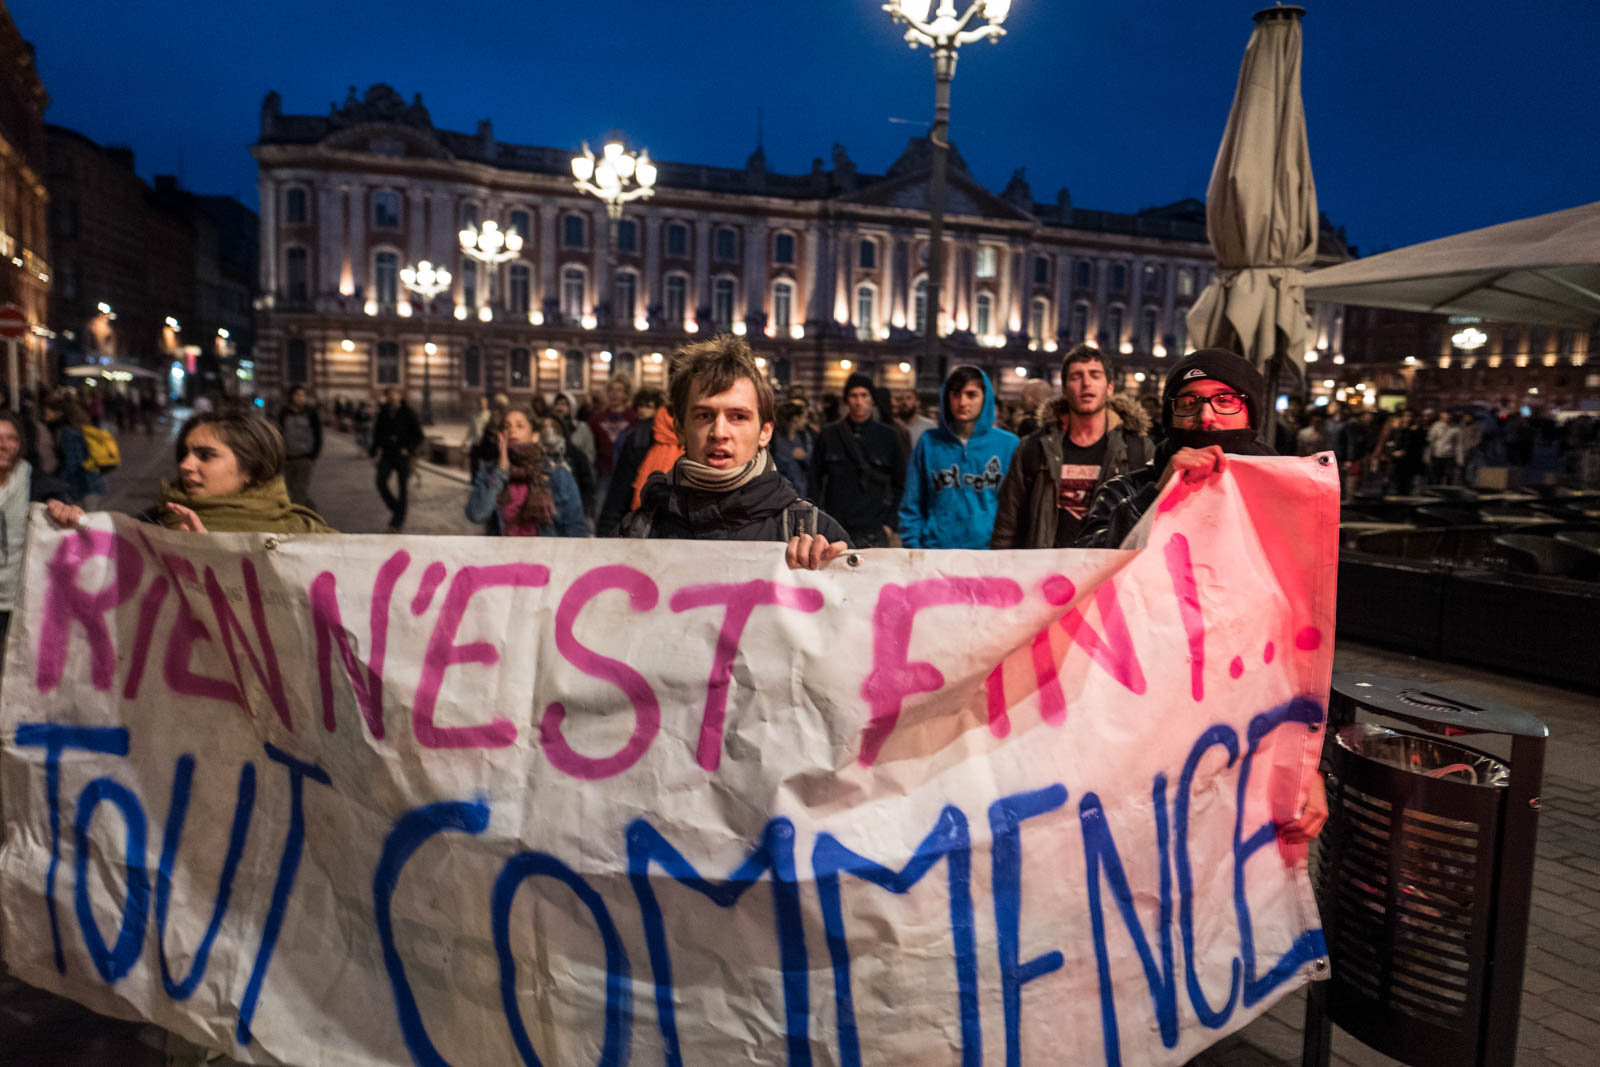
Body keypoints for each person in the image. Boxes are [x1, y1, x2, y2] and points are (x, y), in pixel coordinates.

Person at [625, 336, 850, 569]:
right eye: (704, 416)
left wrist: (829, 574)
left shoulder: (811, 530)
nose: (719, 433)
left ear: (764, 432)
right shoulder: (640, 530)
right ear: (680, 428)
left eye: (738, 417)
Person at [1076, 348, 1275, 549]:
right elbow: (1085, 563)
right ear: (1171, 418)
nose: (1205, 416)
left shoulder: (1278, 487)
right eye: (1188, 403)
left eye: (1223, 401)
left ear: (1251, 416)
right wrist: (1156, 497)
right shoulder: (1125, 490)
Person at [46, 408, 333, 535]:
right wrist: (74, 529)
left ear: (251, 469)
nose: (185, 465)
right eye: (185, 453)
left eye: (205, 456)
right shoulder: (150, 524)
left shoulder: (301, 534)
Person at [991, 345, 1152, 549]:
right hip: (1045, 570)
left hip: (1106, 571)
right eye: (1076, 376)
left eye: (1095, 375)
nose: (1086, 383)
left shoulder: (1136, 449)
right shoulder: (1034, 447)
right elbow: (1007, 524)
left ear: (1109, 388)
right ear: (1064, 389)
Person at [899, 365, 1018, 550]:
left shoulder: (1007, 445)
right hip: (936, 551)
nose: (962, 402)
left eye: (971, 395)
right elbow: (912, 502)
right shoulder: (929, 442)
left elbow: (1016, 507)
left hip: (990, 553)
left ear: (985, 398)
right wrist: (914, 548)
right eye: (955, 394)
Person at [811, 373, 906, 548]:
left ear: (872, 399)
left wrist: (889, 525)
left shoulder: (888, 436)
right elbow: (813, 481)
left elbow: (902, 484)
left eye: (864, 395)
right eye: (854, 396)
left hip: (875, 529)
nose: (859, 401)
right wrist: (817, 520)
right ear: (847, 400)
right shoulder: (829, 434)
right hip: (836, 526)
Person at [465, 405, 586, 537]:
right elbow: (476, 515)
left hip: (544, 555)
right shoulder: (491, 471)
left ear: (535, 436)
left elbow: (575, 526)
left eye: (519, 426)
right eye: (507, 426)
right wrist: (501, 471)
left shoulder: (557, 474)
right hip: (505, 555)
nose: (512, 430)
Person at [369, 388, 423, 531]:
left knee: (402, 488)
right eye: (389, 395)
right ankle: (397, 508)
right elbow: (377, 434)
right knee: (380, 482)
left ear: (399, 396)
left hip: (402, 455)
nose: (392, 397)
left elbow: (419, 435)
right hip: (387, 454)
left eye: (394, 394)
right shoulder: (383, 413)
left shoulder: (408, 413)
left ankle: (398, 521)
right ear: (386, 397)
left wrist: (408, 449)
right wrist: (373, 453)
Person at [43, 392, 105, 508]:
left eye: (48, 410)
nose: (45, 413)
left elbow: (72, 463)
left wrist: (54, 481)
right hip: (91, 485)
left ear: (59, 413)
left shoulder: (67, 433)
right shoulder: (73, 429)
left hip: (84, 488)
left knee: (84, 524)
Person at [588, 374, 637, 505]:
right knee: (600, 508)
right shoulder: (597, 419)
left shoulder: (633, 418)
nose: (614, 394)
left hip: (627, 474)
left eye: (619, 390)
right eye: (611, 390)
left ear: (626, 394)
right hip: (604, 473)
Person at [277, 385, 323, 509]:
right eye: (297, 395)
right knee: (288, 489)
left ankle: (299, 523)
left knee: (299, 491)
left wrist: (313, 456)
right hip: (288, 458)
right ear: (292, 396)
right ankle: (314, 514)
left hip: (304, 458)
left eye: (303, 395)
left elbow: (318, 435)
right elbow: (279, 432)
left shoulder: (311, 413)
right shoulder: (284, 412)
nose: (300, 398)